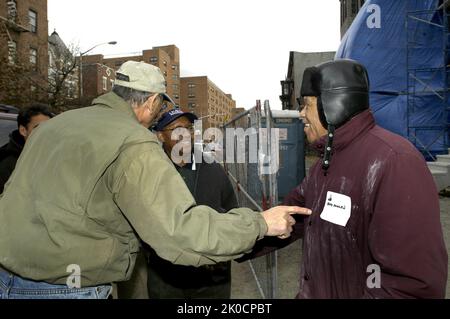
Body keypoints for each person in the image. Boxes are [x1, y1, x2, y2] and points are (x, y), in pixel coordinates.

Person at [0, 61, 310, 299]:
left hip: (7, 275)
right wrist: (259, 224)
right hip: (67, 286)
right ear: (149, 104)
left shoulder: (53, 126)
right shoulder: (132, 141)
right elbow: (177, 232)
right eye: (160, 109)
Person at [246, 59, 448, 298]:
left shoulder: (395, 161)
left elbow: (412, 286)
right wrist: (233, 240)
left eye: (306, 104)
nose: (301, 113)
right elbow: (289, 216)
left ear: (333, 104)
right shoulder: (324, 163)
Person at [144, 109, 237, 299]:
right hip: (166, 275)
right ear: (160, 135)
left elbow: (231, 211)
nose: (185, 135)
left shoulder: (212, 168)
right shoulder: (149, 170)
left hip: (210, 275)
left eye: (188, 128)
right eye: (177, 129)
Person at [0, 104, 53, 192]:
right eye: (38, 128)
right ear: (23, 130)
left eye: (48, 128)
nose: (45, 132)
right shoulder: (8, 166)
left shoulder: (54, 158)